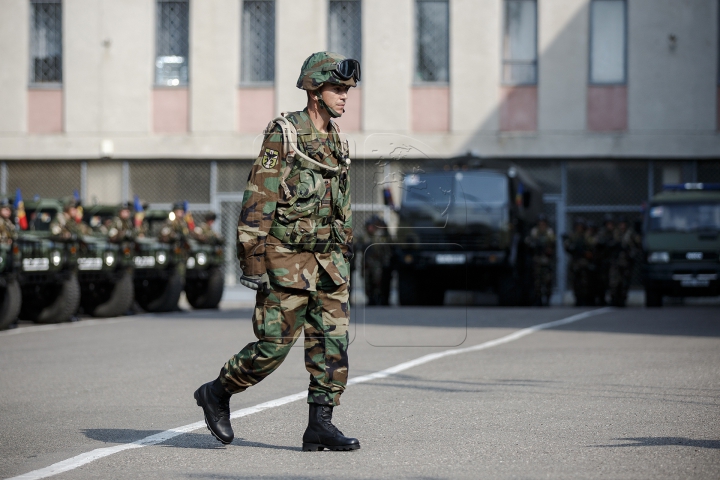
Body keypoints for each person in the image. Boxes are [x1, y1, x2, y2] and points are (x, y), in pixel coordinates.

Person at [194, 52, 360, 451]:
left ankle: (320, 425)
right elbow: (258, 198)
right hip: (287, 263)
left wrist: (345, 249)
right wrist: (252, 258)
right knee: (272, 348)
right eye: (338, 89)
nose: (345, 97)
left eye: (347, 90)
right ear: (315, 91)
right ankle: (217, 392)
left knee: (332, 347)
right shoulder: (284, 134)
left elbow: (344, 203)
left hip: (329, 266)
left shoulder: (337, 141)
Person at [357, 215, 393, 305]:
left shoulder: (382, 236)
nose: (370, 228)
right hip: (367, 265)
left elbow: (387, 250)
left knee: (379, 283)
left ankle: (380, 299)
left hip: (379, 265)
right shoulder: (365, 237)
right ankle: (371, 299)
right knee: (368, 283)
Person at [525, 214, 555, 306]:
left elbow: (553, 245)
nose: (542, 225)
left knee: (547, 281)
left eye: (543, 224)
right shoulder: (534, 233)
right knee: (537, 282)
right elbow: (528, 242)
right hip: (537, 261)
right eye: (540, 224)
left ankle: (547, 299)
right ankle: (538, 300)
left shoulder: (549, 233)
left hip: (546, 261)